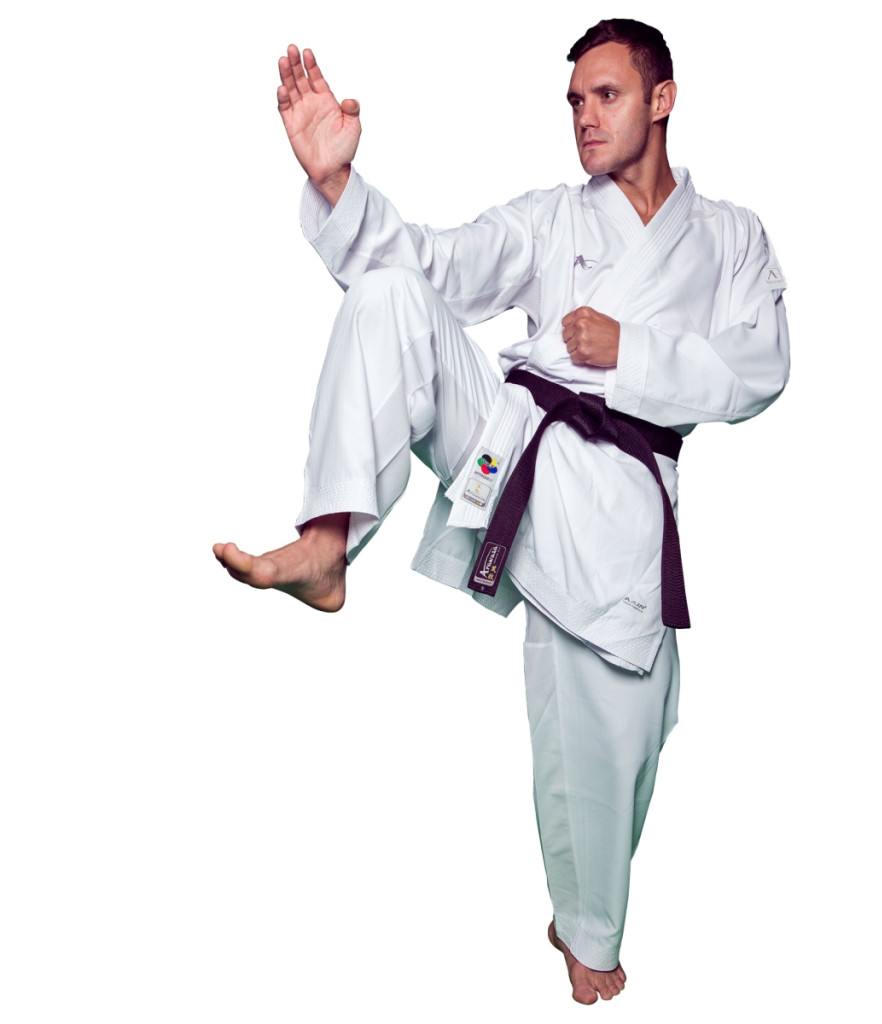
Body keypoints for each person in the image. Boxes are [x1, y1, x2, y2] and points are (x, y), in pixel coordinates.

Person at [214, 18, 789, 1004]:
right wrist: (338, 182)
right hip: (508, 448)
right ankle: (327, 542)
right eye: (574, 101)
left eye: (605, 95)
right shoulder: (550, 219)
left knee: (618, 747)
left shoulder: (731, 237)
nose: (584, 117)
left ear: (662, 99)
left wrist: (634, 352)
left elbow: (760, 367)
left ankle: (585, 930)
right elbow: (431, 264)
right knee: (390, 294)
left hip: (620, 502)